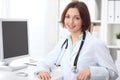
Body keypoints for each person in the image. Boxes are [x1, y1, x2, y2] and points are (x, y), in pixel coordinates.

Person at [34, 1, 118, 80]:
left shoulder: (96, 44)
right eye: (68, 17)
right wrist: (42, 71)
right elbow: (46, 62)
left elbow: (113, 73)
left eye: (76, 18)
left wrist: (92, 71)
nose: (70, 22)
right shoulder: (63, 42)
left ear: (83, 20)